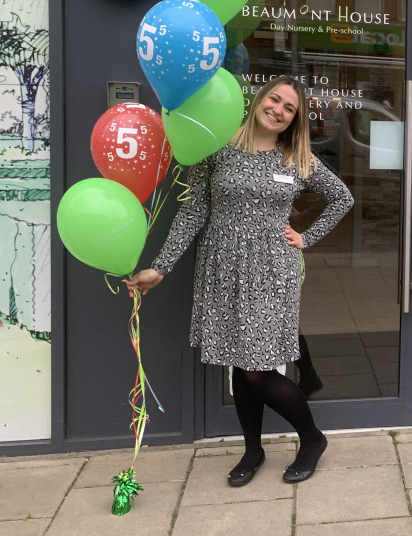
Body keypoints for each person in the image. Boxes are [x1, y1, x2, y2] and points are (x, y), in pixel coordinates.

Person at [127, 76, 354, 486]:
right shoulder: (219, 148)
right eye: (275, 99)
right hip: (221, 268)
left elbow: (342, 197)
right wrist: (161, 267)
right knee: (239, 362)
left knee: (258, 370)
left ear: (294, 119)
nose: (279, 110)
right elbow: (194, 211)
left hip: (271, 272)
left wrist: (306, 237)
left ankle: (312, 439)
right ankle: (253, 449)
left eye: (290, 108)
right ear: (258, 99)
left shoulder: (296, 158)